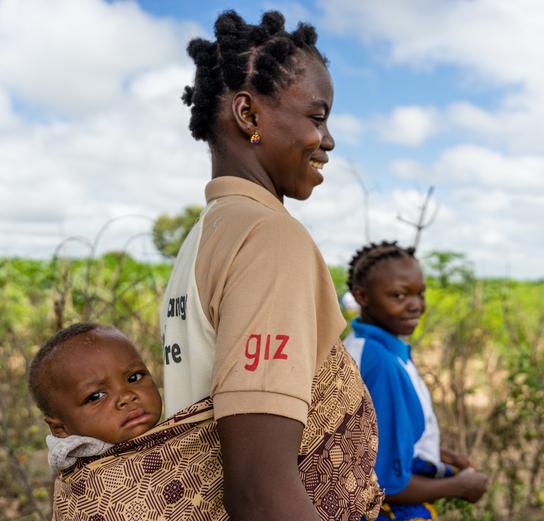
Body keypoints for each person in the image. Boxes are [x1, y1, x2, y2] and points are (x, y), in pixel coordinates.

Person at [160, 10, 382, 521]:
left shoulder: (207, 234)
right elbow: (260, 486)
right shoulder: (267, 238)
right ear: (249, 115)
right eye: (317, 117)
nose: (328, 141)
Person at [344, 241, 489, 520]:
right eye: (398, 296)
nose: (416, 306)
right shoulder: (382, 363)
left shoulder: (363, 345)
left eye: (420, 293)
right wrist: (458, 486)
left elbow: (380, 439)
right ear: (362, 296)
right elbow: (385, 483)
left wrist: (441, 454)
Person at [28, 322, 163, 472]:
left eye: (134, 377)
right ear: (60, 428)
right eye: (96, 396)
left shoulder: (182, 435)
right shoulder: (88, 484)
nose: (127, 397)